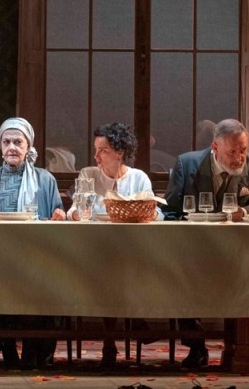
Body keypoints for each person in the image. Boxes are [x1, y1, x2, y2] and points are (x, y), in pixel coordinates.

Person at [162, 118, 249, 369]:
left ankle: (241, 345)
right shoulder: (187, 164)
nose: (239, 157)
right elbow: (171, 210)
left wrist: (243, 213)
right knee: (177, 272)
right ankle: (196, 346)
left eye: (243, 149)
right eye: (232, 151)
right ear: (215, 148)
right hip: (192, 250)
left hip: (237, 252)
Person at [0, 117, 65, 369]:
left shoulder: (45, 180)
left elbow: (58, 216)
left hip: (36, 255)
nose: (12, 147)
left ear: (28, 146)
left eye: (17, 142)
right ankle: (4, 346)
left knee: (45, 282)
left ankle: (35, 350)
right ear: (0, 146)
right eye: (6, 142)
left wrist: (59, 215)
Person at [65, 122, 159, 367]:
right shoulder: (88, 174)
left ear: (119, 152)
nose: (96, 156)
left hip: (134, 252)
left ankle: (119, 332)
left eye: (102, 150)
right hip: (93, 251)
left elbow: (154, 213)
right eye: (95, 150)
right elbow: (75, 209)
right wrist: (75, 214)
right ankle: (118, 333)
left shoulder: (138, 178)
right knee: (109, 267)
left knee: (118, 267)